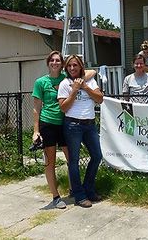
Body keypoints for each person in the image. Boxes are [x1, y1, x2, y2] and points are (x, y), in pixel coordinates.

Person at [32, 51, 96, 209]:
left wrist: (81, 82)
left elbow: (91, 71)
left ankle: (74, 189)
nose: (55, 63)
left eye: (58, 61)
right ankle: (55, 196)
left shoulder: (65, 79)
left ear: (62, 65)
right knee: (50, 162)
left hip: (66, 123)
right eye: (52, 60)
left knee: (71, 159)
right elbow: (36, 108)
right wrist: (36, 130)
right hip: (48, 123)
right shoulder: (40, 82)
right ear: (48, 63)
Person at [57, 55, 104, 208]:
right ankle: (79, 195)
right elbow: (64, 108)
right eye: (69, 66)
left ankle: (89, 188)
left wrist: (85, 87)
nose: (72, 68)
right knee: (74, 161)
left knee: (97, 156)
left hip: (89, 124)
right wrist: (74, 91)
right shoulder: (65, 84)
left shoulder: (89, 80)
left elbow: (100, 99)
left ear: (80, 66)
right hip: (73, 125)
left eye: (75, 65)